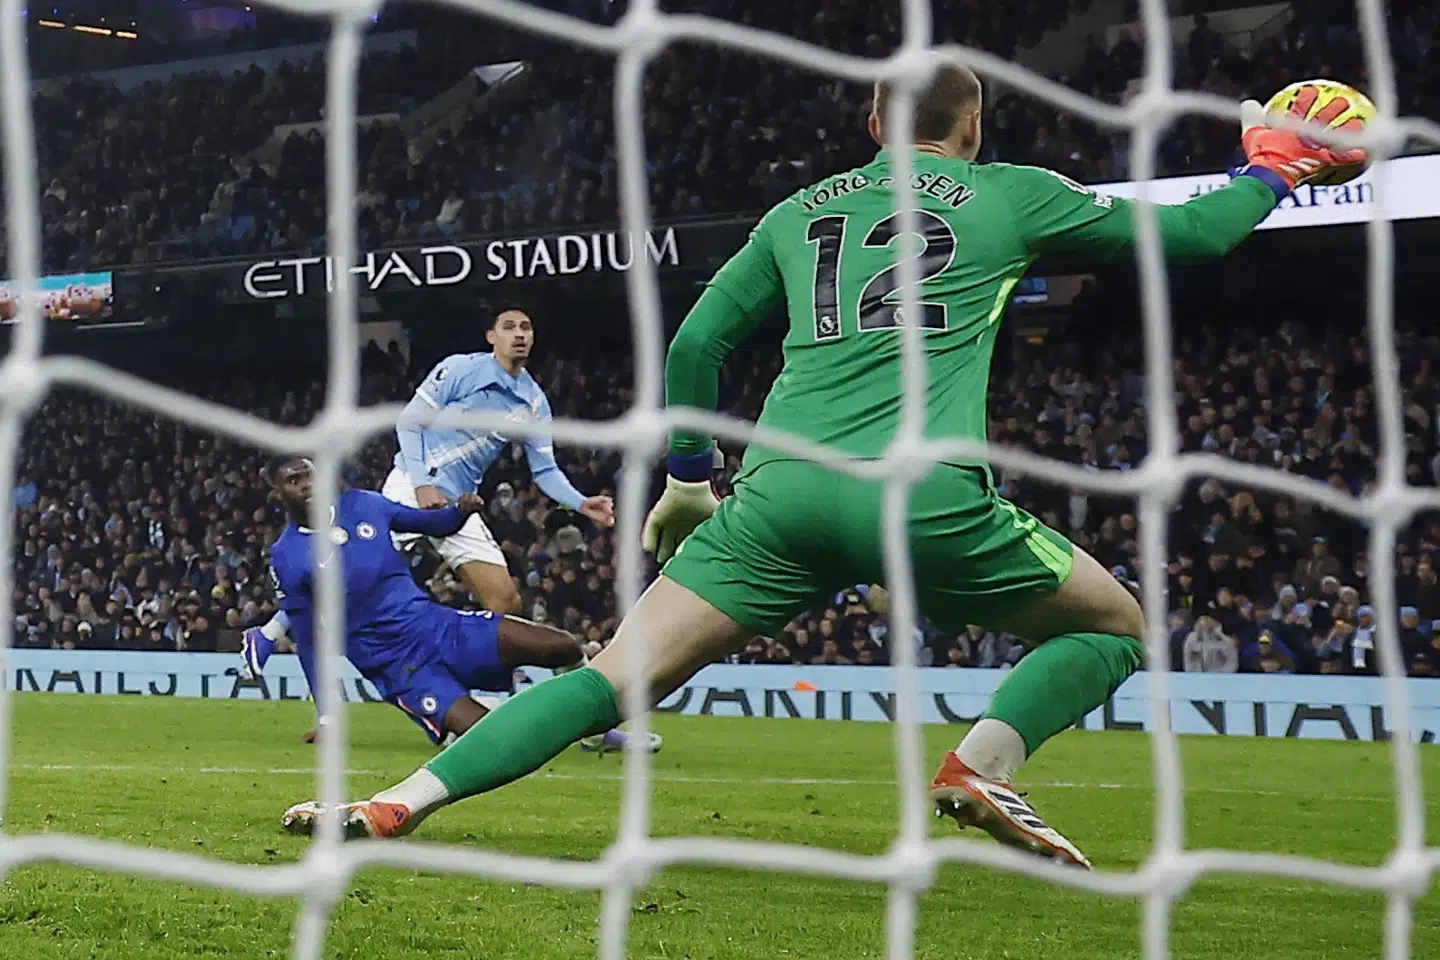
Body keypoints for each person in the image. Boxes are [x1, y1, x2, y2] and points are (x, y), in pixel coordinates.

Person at [278, 68, 1366, 865]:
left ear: (873, 121)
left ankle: (400, 802)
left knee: (609, 681)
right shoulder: (1014, 194)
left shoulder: (799, 213)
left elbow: (699, 348)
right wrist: (1270, 167)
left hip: (778, 497)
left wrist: (696, 477)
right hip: (920, 496)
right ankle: (982, 766)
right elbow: (1194, 240)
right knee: (1115, 626)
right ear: (974, 128)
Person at [247, 454, 659, 755]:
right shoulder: (287, 556)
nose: (304, 484)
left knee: (562, 646)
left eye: (309, 474)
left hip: (438, 626)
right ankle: (462, 713)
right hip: (398, 666)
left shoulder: (363, 504)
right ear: (278, 491)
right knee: (494, 742)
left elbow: (431, 524)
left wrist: (458, 513)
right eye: (292, 480)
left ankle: (595, 732)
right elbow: (309, 642)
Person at [384, 306, 614, 614]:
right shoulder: (459, 369)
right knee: (360, 578)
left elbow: (545, 471)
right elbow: (409, 423)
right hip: (410, 486)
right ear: (491, 336)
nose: (519, 333)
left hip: (458, 505)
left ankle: (482, 662)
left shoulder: (534, 402)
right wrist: (422, 485)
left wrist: (581, 502)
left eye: (525, 327)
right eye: (508, 327)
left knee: (506, 602)